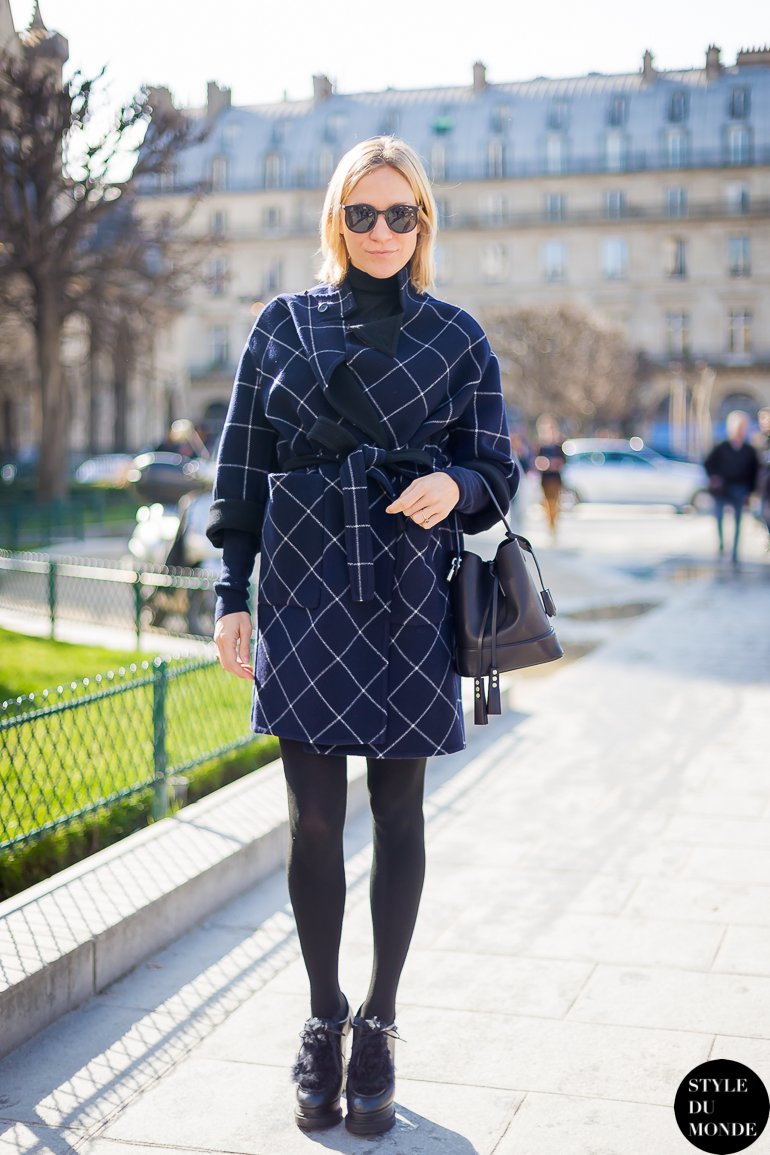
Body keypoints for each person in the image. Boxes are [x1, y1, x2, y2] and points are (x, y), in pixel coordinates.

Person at [206, 136, 517, 1136]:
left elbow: (495, 470)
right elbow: (239, 469)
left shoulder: (458, 336)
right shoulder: (282, 325)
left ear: (423, 224)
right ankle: (321, 1016)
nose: (381, 232)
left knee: (399, 813)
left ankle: (379, 1022)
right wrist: (229, 591)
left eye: (400, 215)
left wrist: (456, 484)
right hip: (299, 592)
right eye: (361, 214)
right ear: (333, 219)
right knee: (309, 821)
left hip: (405, 592)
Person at [704, 409, 759, 566]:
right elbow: (708, 464)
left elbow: (754, 472)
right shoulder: (721, 447)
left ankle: (735, 552)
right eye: (737, 426)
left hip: (740, 488)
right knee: (719, 518)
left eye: (743, 427)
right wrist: (714, 477)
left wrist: (751, 492)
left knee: (738, 522)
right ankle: (721, 546)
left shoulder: (749, 450)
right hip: (721, 489)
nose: (740, 430)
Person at [534, 414, 565, 538]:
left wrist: (552, 464)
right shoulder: (541, 446)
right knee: (547, 504)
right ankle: (549, 527)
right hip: (545, 480)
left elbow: (562, 463)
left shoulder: (558, 446)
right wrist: (546, 464)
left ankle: (554, 527)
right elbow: (536, 462)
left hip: (556, 479)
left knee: (555, 505)